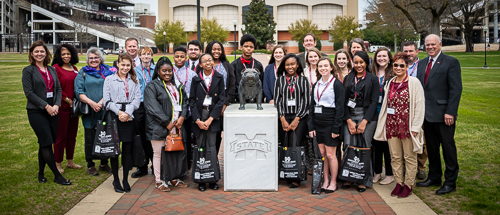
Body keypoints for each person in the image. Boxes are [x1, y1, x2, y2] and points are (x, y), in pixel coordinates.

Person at [416, 34, 462, 195]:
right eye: (427, 44)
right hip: (427, 116)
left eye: (433, 44)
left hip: (444, 115)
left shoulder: (451, 62)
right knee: (432, 149)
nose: (430, 47)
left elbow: (456, 90)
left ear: (440, 44)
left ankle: (450, 181)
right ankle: (434, 176)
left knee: (448, 148)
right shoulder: (421, 64)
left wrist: (450, 111)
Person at [374, 53, 425, 198]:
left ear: (407, 67)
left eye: (402, 65)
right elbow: (385, 105)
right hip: (392, 125)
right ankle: (398, 182)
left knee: (409, 156)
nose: (398, 68)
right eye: (396, 65)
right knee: (395, 157)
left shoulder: (414, 82)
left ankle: (408, 184)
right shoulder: (390, 82)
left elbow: (419, 105)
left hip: (407, 126)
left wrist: (415, 127)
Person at [22, 40, 71, 185]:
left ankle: (41, 174)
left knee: (44, 143)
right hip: (36, 112)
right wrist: (46, 106)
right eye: (36, 51)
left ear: (46, 53)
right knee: (46, 142)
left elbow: (58, 89)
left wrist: (56, 105)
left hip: (53, 111)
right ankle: (57, 175)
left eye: (42, 51)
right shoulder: (28, 71)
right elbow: (29, 93)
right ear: (31, 53)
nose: (39, 54)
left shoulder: (51, 70)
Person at [144, 56, 190, 192]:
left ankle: (173, 178)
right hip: (159, 127)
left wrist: (182, 117)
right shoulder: (151, 87)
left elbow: (184, 102)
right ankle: (159, 180)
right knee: (158, 153)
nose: (167, 73)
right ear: (158, 71)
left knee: (173, 152)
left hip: (176, 126)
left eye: (170, 71)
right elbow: (153, 108)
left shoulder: (176, 86)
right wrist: (167, 123)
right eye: (164, 70)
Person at [341, 51, 379, 193]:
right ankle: (349, 177)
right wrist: (349, 121)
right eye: (356, 62)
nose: (358, 65)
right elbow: (343, 101)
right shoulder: (348, 78)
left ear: (366, 63)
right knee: (348, 146)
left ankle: (363, 180)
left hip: (366, 116)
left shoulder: (372, 79)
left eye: (361, 62)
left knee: (364, 147)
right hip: (349, 115)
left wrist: (364, 121)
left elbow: (375, 101)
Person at [103, 53, 141, 193]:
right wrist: (119, 112)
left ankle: (125, 179)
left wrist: (127, 113)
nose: (125, 67)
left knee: (127, 149)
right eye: (122, 64)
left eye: (128, 65)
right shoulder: (109, 80)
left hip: (129, 117)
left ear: (131, 66)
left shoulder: (134, 80)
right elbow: (106, 100)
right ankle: (116, 180)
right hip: (114, 116)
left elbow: (137, 100)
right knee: (115, 150)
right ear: (117, 64)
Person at [74, 47, 114, 176]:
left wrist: (101, 102)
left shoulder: (108, 70)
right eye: (90, 58)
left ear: (100, 58)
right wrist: (92, 103)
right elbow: (79, 91)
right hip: (89, 111)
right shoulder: (83, 72)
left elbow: (112, 87)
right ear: (87, 60)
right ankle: (90, 164)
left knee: (105, 135)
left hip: (105, 109)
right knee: (90, 137)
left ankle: (104, 162)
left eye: (96, 57)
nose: (93, 60)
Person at [308, 57, 345, 193]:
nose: (323, 68)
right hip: (318, 123)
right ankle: (326, 180)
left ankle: (334, 181)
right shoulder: (317, 84)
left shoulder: (337, 84)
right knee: (323, 154)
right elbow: (312, 107)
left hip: (331, 122)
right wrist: (311, 126)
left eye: (325, 66)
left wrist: (336, 127)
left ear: (331, 68)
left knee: (331, 155)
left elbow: (340, 108)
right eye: (320, 66)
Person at [274, 53, 311, 188]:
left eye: (293, 64)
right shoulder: (279, 80)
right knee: (285, 143)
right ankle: (285, 172)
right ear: (284, 66)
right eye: (287, 64)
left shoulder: (303, 80)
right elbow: (277, 101)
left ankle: (296, 176)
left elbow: (306, 101)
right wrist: (282, 119)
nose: (290, 67)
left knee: (296, 144)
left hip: (299, 117)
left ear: (298, 65)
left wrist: (296, 120)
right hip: (284, 117)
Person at [189, 53, 225, 192]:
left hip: (212, 118)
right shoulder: (196, 79)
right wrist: (197, 120)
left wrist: (211, 119)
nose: (208, 62)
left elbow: (221, 100)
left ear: (213, 62)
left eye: (210, 59)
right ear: (200, 64)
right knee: (200, 147)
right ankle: (201, 179)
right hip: (199, 116)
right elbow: (192, 100)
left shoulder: (219, 78)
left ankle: (213, 178)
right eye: (204, 60)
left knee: (212, 147)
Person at [52, 44, 81, 173]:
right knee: (60, 137)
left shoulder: (74, 68)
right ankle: (58, 163)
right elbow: (55, 87)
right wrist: (67, 100)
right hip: (62, 107)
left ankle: (70, 161)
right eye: (63, 54)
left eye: (68, 53)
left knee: (72, 135)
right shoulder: (55, 69)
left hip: (74, 108)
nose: (66, 56)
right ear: (59, 55)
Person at [205, 41, 236, 154]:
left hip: (223, 106)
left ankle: (221, 159)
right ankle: (210, 159)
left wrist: (224, 104)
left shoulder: (227, 66)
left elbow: (232, 85)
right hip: (208, 106)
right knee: (211, 134)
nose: (216, 51)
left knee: (223, 133)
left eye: (219, 49)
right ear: (209, 49)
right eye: (214, 49)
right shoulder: (204, 65)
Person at [369, 47, 395, 185]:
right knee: (376, 143)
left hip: (388, 111)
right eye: (379, 56)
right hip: (374, 111)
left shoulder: (393, 73)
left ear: (389, 57)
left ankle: (390, 173)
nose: (381, 58)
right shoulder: (371, 72)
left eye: (384, 56)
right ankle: (377, 172)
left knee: (387, 143)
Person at [131, 46, 156, 178]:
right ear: (139, 56)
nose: (146, 56)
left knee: (153, 135)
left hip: (153, 106)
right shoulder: (134, 71)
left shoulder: (156, 69)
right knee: (140, 136)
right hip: (140, 105)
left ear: (152, 56)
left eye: (148, 54)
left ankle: (156, 164)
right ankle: (142, 165)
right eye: (143, 54)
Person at [403, 41, 426, 180]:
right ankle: (407, 165)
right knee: (405, 138)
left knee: (421, 137)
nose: (408, 54)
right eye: (406, 51)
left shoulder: (422, 66)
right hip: (403, 108)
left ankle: (421, 167)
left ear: (417, 51)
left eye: (411, 51)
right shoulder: (400, 64)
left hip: (418, 106)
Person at [172, 46, 198, 170]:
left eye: (182, 56)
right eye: (177, 56)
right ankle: (173, 164)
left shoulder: (192, 74)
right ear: (173, 57)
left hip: (187, 112)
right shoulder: (168, 71)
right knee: (173, 138)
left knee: (186, 138)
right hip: (172, 112)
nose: (179, 59)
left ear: (186, 57)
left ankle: (186, 164)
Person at [231, 34, 264, 103]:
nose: (248, 48)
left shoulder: (258, 65)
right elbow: (231, 84)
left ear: (254, 48)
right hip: (239, 100)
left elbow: (261, 84)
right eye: (246, 46)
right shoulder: (234, 65)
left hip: (255, 101)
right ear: (241, 47)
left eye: (251, 47)